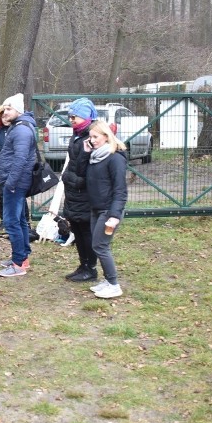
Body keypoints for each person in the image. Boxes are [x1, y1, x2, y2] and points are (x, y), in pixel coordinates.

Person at [84, 120, 127, 299]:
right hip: (96, 208)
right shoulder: (95, 156)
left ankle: (114, 284)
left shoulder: (115, 158)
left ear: (106, 136)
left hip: (108, 211)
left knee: (100, 246)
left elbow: (120, 190)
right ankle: (108, 281)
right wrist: (87, 154)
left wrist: (114, 215)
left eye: (95, 137)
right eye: (90, 137)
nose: (92, 140)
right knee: (99, 246)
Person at [0, 94, 36, 277]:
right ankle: (22, 257)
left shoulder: (21, 131)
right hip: (15, 182)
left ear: (18, 110)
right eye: (4, 108)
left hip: (15, 183)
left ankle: (18, 264)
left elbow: (20, 159)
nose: (5, 112)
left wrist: (10, 183)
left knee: (11, 222)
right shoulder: (19, 127)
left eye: (9, 108)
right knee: (19, 221)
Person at [60, 98, 100, 283]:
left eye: (75, 116)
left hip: (84, 194)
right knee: (76, 229)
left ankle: (90, 269)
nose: (72, 119)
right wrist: (67, 176)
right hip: (73, 192)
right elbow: (73, 162)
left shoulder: (92, 137)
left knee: (86, 232)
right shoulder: (76, 135)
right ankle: (82, 265)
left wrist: (74, 180)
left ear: (85, 117)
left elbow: (92, 169)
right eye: (70, 116)